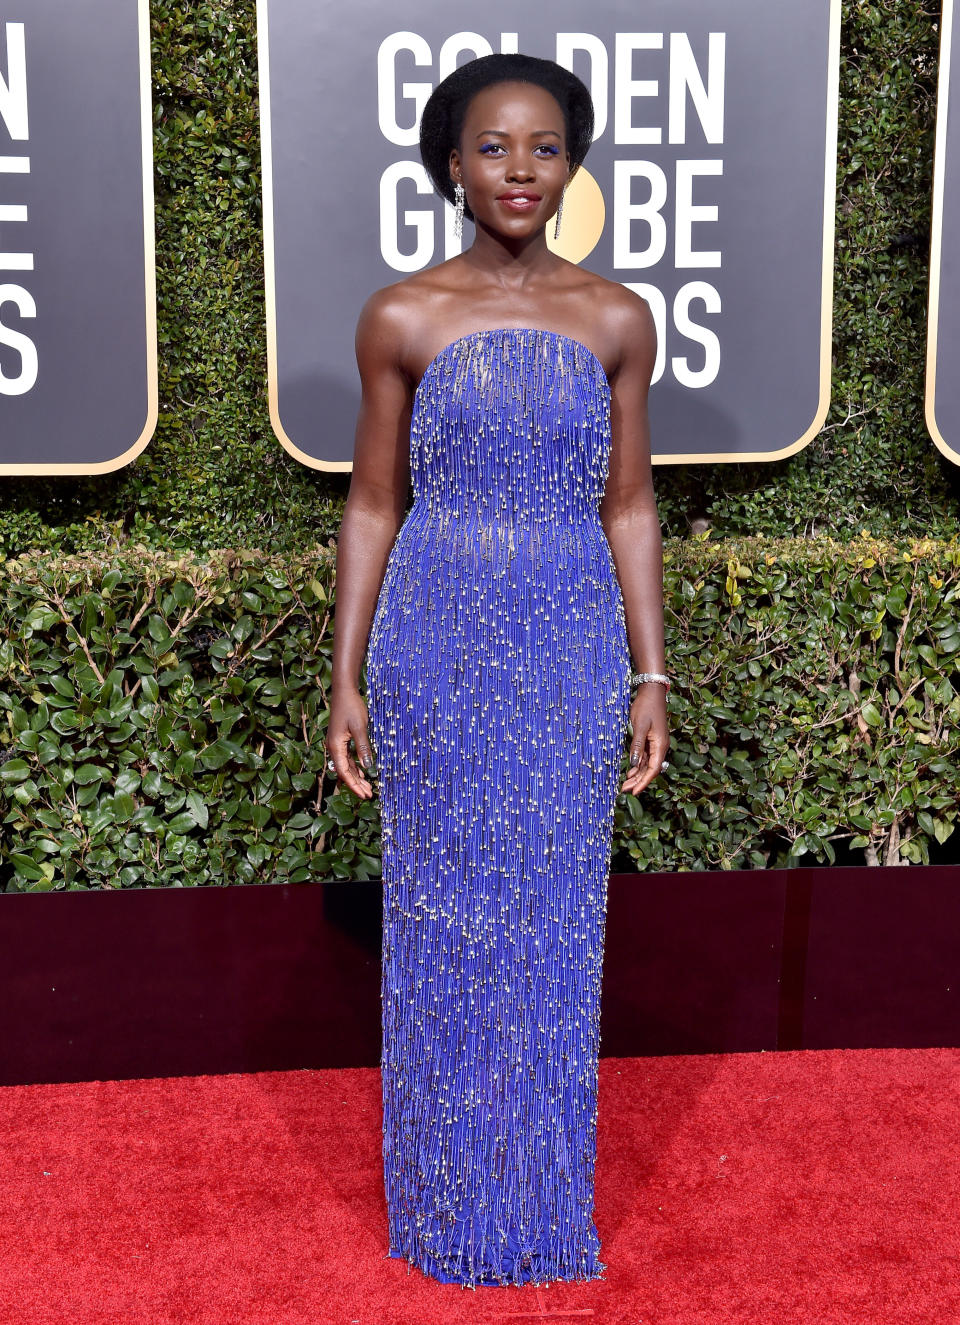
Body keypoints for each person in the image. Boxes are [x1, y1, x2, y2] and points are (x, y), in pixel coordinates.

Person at [325, 52, 669, 1288]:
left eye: (543, 148)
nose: (519, 171)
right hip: (436, 637)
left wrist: (650, 674)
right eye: (491, 148)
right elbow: (372, 503)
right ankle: (440, 1201)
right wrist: (346, 673)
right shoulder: (402, 315)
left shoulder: (618, 316)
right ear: (450, 163)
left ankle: (533, 1205)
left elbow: (629, 507)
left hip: (569, 641)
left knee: (552, 930)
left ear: (572, 162)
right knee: (441, 920)